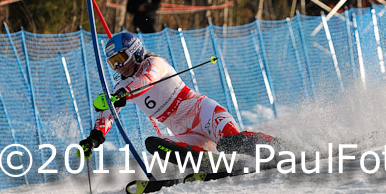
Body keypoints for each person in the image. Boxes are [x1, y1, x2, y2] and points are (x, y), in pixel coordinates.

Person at [78, 32, 278, 168]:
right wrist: (94, 138)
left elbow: (145, 81)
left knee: (231, 142)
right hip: (184, 133)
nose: (118, 66)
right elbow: (108, 114)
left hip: (203, 114)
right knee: (153, 144)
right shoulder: (121, 88)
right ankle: (213, 163)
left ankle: (280, 147)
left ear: (135, 52)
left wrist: (121, 96)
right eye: (113, 62)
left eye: (121, 58)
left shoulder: (154, 63)